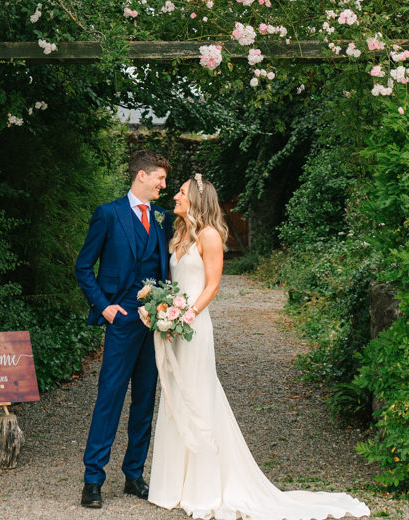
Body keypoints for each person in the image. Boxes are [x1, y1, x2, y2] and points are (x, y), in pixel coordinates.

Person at [146, 174, 369, 520]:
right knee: (175, 396)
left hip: (193, 327)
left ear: (197, 200)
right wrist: (164, 310)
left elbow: (212, 285)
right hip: (174, 328)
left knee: (199, 398)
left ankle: (203, 487)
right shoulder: (179, 234)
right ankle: (172, 485)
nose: (174, 195)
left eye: (181, 192)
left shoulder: (208, 236)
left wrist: (185, 316)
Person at [75, 149, 173, 508]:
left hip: (156, 320)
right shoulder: (108, 214)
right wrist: (105, 308)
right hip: (122, 318)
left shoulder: (162, 218)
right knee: (110, 397)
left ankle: (134, 474)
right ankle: (93, 479)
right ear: (141, 177)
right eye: (160, 178)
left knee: (146, 397)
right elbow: (83, 267)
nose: (164, 184)